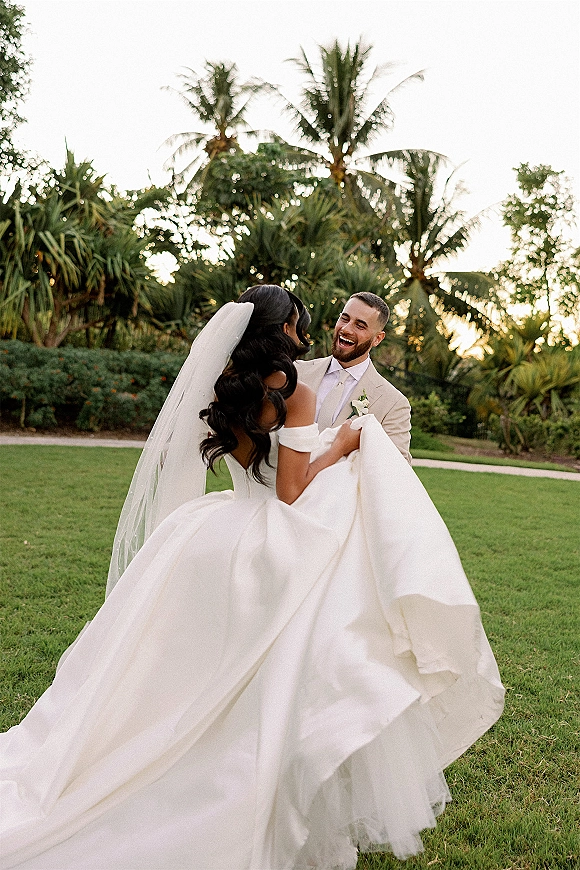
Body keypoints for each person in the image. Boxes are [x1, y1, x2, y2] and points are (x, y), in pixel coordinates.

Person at [0, 285, 504, 870]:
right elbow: (291, 490)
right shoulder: (299, 392)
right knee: (314, 648)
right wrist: (343, 443)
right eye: (299, 324)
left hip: (216, 529)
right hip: (274, 538)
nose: (309, 333)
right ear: (281, 329)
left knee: (186, 673)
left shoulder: (220, 387)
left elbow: (243, 469)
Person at [296, 292, 412, 463]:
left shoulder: (393, 404)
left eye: (360, 325)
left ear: (377, 339)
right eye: (344, 318)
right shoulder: (296, 372)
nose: (346, 329)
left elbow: (396, 468)